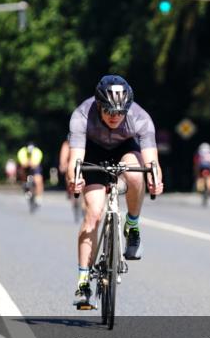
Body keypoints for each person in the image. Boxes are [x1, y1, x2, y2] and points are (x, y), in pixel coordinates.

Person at [66, 75, 164, 308]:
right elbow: (75, 160)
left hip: (125, 149)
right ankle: (83, 281)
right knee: (94, 214)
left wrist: (155, 180)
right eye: (109, 111)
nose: (114, 116)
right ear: (98, 105)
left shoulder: (140, 118)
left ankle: (132, 223)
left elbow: (152, 161)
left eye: (120, 112)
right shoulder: (81, 115)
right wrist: (74, 179)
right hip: (92, 152)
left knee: (135, 172)